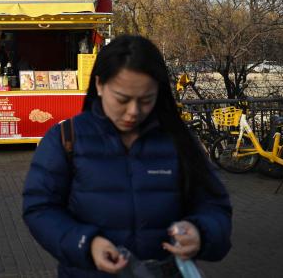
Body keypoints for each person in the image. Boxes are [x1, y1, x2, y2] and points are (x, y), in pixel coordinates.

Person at [22, 35, 231, 277]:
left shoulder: (179, 140)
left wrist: (201, 233)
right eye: (122, 99)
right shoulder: (65, 139)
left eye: (146, 100)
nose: (133, 112)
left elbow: (215, 206)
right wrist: (86, 244)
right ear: (99, 85)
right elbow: (40, 208)